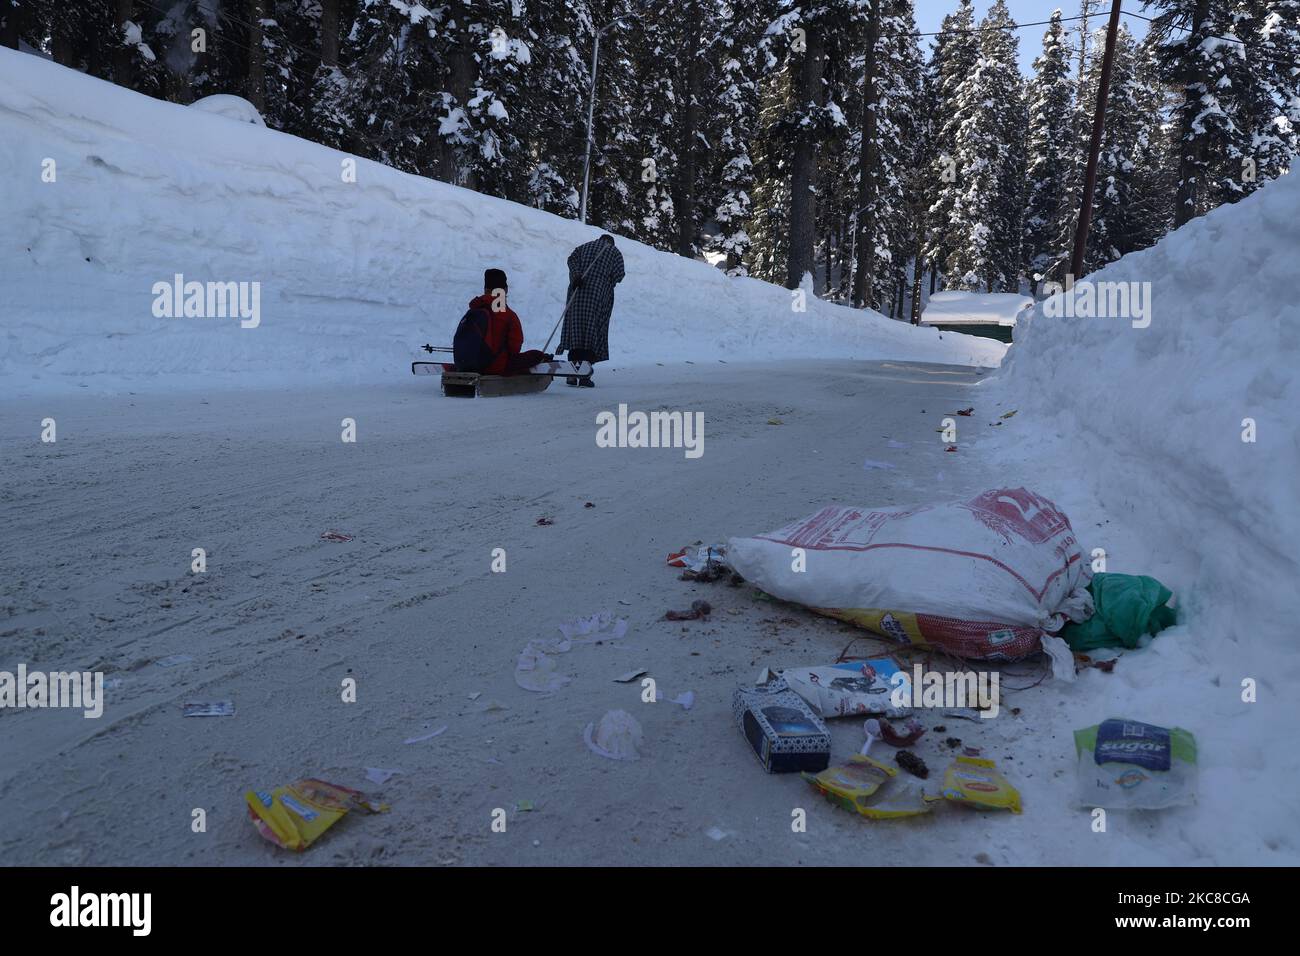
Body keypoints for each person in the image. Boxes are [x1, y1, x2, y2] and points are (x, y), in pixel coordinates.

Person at [557, 235, 625, 387]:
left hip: (576, 293)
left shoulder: (582, 247)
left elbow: (571, 260)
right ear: (611, 242)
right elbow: (619, 274)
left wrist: (576, 277)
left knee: (575, 331)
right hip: (598, 295)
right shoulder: (614, 252)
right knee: (591, 332)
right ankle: (584, 376)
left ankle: (571, 375)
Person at [465, 268, 551, 376]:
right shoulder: (507, 315)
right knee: (536, 355)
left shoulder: (474, 310)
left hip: (469, 365)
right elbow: (515, 346)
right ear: (505, 290)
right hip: (494, 367)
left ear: (485, 289)